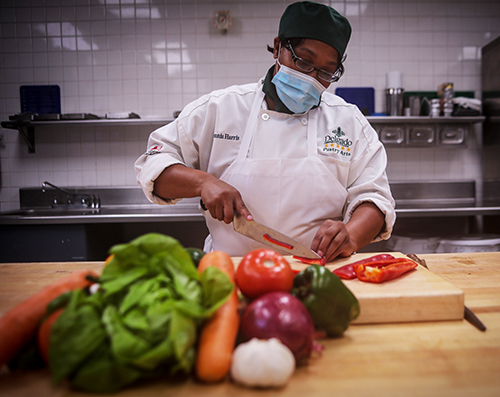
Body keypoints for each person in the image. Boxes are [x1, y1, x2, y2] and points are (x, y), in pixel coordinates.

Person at [135, 1, 396, 262]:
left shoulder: (348, 122)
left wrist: (349, 235)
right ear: (279, 47)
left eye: (326, 72)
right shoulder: (221, 109)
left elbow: (374, 197)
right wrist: (203, 182)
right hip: (229, 272)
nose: (312, 78)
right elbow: (154, 165)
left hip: (317, 275)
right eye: (304, 61)